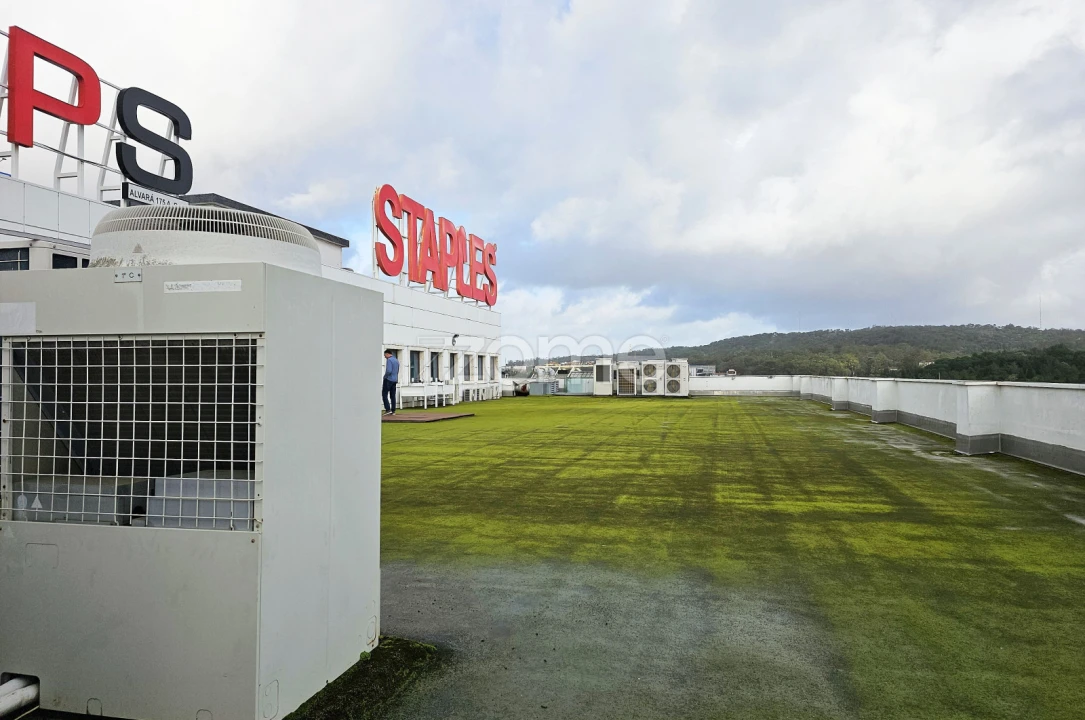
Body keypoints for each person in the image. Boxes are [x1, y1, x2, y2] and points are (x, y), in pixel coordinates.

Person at [383, 349, 400, 415]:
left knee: (384, 394)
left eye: (385, 355)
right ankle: (393, 410)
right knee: (393, 395)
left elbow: (389, 370)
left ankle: (387, 409)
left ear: (387, 354)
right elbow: (397, 370)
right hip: (395, 379)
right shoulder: (396, 360)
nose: (385, 357)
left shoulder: (389, 360)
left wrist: (385, 376)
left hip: (389, 379)